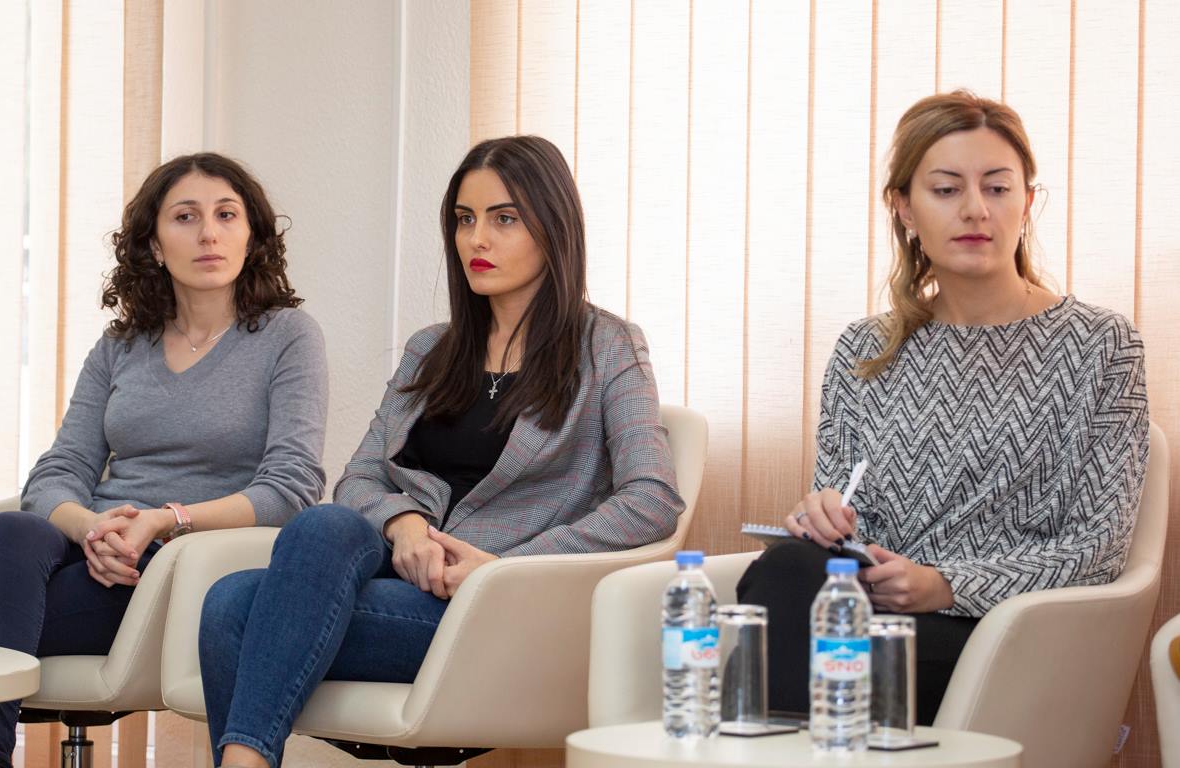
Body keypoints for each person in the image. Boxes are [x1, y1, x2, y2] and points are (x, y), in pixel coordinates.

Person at [198, 135, 684, 768]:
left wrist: (502, 566)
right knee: (313, 532)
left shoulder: (608, 346)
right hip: (399, 576)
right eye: (464, 219)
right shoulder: (431, 349)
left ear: (554, 226)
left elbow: (652, 499)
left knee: (234, 611)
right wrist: (405, 526)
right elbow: (359, 478)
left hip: (501, 605)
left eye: (504, 219)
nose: (476, 239)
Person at [737, 90, 1149, 724]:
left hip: (997, 632)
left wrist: (946, 584)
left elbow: (1098, 546)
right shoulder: (865, 348)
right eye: (947, 189)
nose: (976, 209)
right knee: (789, 567)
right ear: (904, 207)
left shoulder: (1100, 344)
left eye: (998, 188)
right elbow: (845, 512)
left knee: (813, 651)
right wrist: (822, 517)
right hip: (865, 610)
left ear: (1027, 203)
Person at [0, 153, 328, 768]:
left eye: (226, 215)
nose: (208, 233)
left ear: (252, 236)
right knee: (10, 530)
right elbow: (56, 473)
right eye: (185, 217)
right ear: (153, 244)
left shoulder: (288, 337)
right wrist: (94, 528)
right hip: (101, 547)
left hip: (184, 563)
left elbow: (292, 487)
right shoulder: (120, 345)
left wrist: (165, 520)